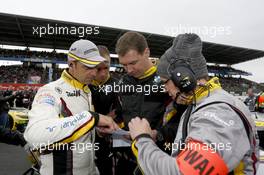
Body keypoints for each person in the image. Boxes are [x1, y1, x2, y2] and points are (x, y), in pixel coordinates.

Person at [128, 33, 259, 175]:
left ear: (183, 77)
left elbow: (183, 172)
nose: (165, 89)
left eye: (165, 82)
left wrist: (142, 139)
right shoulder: (200, 103)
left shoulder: (219, 111)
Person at [24, 39, 118, 175]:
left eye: (95, 66)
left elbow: (76, 130)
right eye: (87, 67)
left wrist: (96, 130)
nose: (94, 73)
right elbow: (34, 135)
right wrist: (92, 118)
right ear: (71, 64)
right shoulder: (50, 91)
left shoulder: (87, 91)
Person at [115, 31, 186, 174]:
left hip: (157, 161)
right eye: (124, 65)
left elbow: (182, 123)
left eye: (133, 63)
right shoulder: (122, 82)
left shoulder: (168, 82)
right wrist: (113, 126)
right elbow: (119, 114)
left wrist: (157, 134)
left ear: (146, 52)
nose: (128, 70)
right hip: (125, 161)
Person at [89, 45, 120, 175]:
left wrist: (104, 122)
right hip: (86, 139)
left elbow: (121, 111)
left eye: (106, 68)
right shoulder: (84, 84)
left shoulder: (118, 85)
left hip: (109, 139)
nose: (102, 73)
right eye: (98, 68)